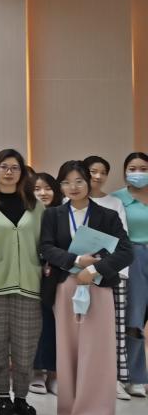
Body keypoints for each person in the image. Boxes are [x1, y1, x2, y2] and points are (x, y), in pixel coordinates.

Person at [40, 161, 132, 415]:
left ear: (89, 182)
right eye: (67, 182)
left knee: (96, 353)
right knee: (67, 350)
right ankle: (68, 410)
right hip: (65, 287)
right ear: (61, 186)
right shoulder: (54, 214)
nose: (73, 187)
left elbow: (126, 251)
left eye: (79, 181)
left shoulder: (107, 215)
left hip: (97, 287)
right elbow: (46, 247)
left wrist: (95, 269)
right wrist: (76, 260)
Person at [0, 148, 45, 415]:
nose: (9, 172)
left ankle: (22, 397)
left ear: (22, 173)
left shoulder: (36, 206)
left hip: (29, 282)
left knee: (25, 346)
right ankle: (3, 397)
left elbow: (45, 243)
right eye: (3, 166)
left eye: (15, 167)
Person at [84, 155, 132, 400]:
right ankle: (86, 377)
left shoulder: (114, 203)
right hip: (79, 274)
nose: (98, 176)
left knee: (115, 328)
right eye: (93, 171)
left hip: (112, 272)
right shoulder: (69, 202)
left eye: (103, 172)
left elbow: (122, 243)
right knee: (85, 328)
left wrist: (108, 268)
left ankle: (115, 378)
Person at [116, 151, 148, 398]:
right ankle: (132, 376)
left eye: (143, 169)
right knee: (134, 319)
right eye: (132, 168)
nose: (138, 173)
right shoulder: (118, 199)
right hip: (134, 257)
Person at [30, 172, 63, 396]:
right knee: (37, 325)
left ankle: (54, 374)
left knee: (57, 325)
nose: (43, 193)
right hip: (34, 274)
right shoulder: (28, 214)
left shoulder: (63, 213)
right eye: (37, 189)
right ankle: (36, 372)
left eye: (47, 188)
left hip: (61, 275)